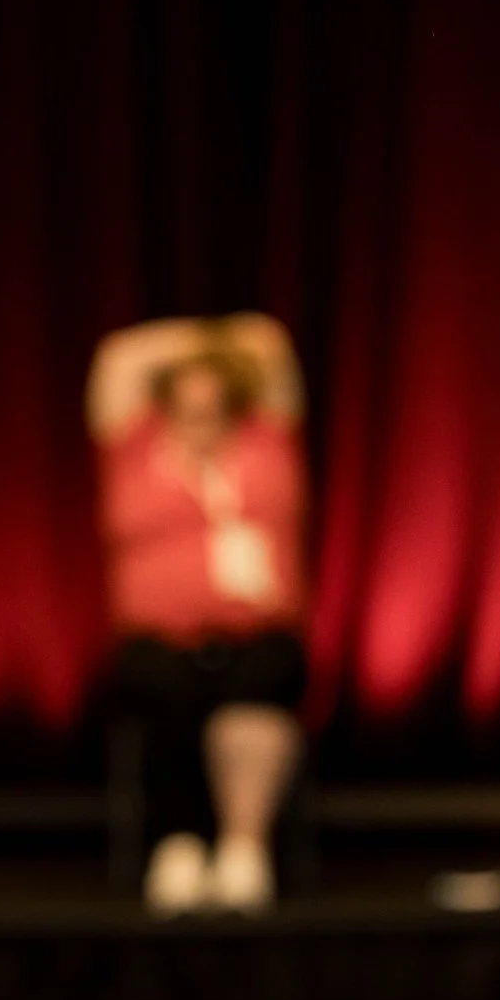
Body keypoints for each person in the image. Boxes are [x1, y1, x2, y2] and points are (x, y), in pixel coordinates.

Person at [89, 312, 310, 915]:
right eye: (188, 406)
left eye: (215, 406)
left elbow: (268, 341)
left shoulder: (266, 441)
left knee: (258, 685)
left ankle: (244, 847)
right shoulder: (134, 449)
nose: (202, 422)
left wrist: (222, 352)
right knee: (168, 691)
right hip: (160, 642)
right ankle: (179, 846)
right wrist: (200, 344)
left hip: (257, 634)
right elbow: (118, 360)